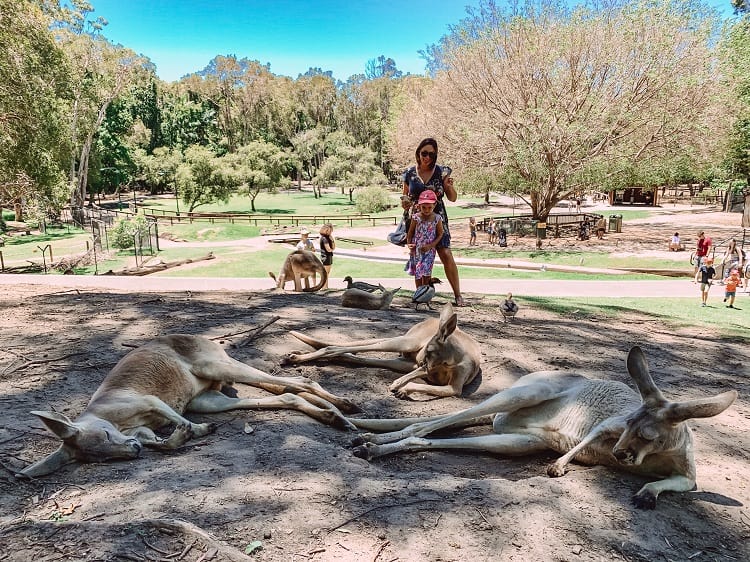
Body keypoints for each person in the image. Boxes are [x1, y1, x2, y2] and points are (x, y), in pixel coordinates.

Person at [402, 138, 465, 306]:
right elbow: (404, 198)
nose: (427, 157)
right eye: (424, 153)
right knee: (419, 259)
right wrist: (406, 203)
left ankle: (458, 295)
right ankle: (421, 295)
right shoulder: (409, 174)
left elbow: (452, 198)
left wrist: (449, 187)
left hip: (438, 219)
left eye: (431, 154)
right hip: (418, 222)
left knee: (446, 254)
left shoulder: (442, 172)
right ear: (418, 153)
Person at [406, 190, 444, 289]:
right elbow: (410, 233)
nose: (426, 210)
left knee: (427, 273)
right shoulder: (416, 218)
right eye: (424, 207)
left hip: (429, 251)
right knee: (418, 272)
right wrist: (409, 244)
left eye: (429, 207)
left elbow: (440, 234)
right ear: (419, 206)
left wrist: (431, 246)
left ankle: (426, 293)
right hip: (417, 250)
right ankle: (418, 293)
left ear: (434, 205)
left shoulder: (437, 218)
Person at [318, 223, 335, 289]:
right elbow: (328, 249)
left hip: (329, 256)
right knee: (325, 274)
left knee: (327, 273)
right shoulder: (324, 238)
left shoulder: (328, 238)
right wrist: (331, 249)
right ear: (325, 230)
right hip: (325, 257)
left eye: (331, 231)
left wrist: (332, 240)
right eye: (329, 231)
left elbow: (333, 248)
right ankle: (324, 287)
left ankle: (325, 287)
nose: (330, 232)